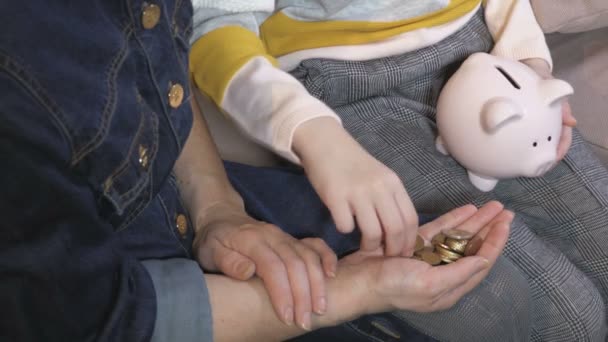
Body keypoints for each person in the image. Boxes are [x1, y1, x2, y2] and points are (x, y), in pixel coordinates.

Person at [0, 1, 515, 341]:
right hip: (127, 297)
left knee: (501, 296)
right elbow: (107, 321)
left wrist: (217, 207)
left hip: (183, 193)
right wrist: (355, 291)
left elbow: (155, 67)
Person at [190, 0, 608, 340]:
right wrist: (315, 135)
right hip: (338, 91)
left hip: (478, 47)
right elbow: (214, 25)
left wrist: (528, 64)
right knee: (570, 320)